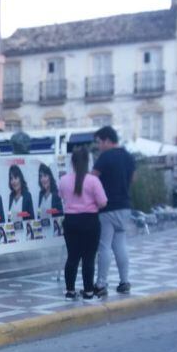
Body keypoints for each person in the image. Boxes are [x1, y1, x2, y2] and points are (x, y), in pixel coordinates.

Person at [91, 126, 136, 295]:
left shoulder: (105, 157)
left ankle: (101, 283)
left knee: (104, 246)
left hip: (107, 208)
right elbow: (133, 178)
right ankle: (124, 281)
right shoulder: (129, 156)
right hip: (124, 206)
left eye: (99, 142)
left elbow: (92, 178)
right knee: (121, 245)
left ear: (107, 141)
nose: (98, 146)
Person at [58, 147, 107, 300]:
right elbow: (103, 202)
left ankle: (70, 291)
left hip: (71, 221)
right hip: (90, 221)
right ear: (88, 162)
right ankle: (88, 292)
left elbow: (61, 197)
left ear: (72, 162)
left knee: (72, 257)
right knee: (89, 258)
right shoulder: (93, 181)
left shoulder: (64, 180)